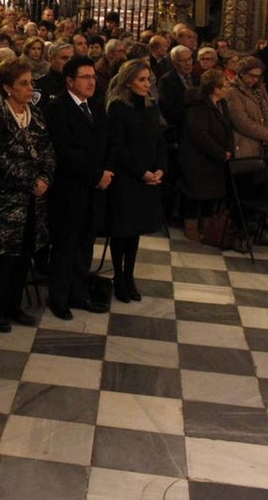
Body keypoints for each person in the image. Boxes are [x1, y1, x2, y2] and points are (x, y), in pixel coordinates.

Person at [0, 57, 55, 331]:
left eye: (30, 82)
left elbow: (47, 150)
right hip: (7, 202)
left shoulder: (34, 114)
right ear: (8, 88)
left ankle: (14, 305)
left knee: (24, 256)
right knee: (2, 260)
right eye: (23, 83)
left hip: (34, 200)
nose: (29, 88)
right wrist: (29, 181)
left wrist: (45, 178)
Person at [44, 55, 110, 319]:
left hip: (93, 188)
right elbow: (65, 151)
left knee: (85, 244)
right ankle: (58, 298)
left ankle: (79, 293)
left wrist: (106, 171)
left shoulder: (95, 105)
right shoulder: (57, 108)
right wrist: (96, 174)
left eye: (93, 77)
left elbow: (106, 141)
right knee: (65, 245)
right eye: (86, 77)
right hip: (69, 189)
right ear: (70, 81)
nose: (92, 82)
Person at [104, 60, 165, 303]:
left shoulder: (151, 107)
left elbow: (159, 140)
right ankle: (118, 277)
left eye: (148, 79)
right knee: (123, 230)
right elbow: (118, 147)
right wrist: (142, 172)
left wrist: (161, 168)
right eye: (141, 80)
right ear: (128, 81)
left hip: (148, 178)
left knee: (136, 231)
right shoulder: (118, 108)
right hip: (127, 179)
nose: (146, 84)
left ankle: (129, 275)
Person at [178, 70, 235, 241]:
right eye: (224, 85)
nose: (228, 88)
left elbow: (228, 127)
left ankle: (207, 227)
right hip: (197, 158)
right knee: (194, 193)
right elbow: (199, 133)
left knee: (211, 193)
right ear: (214, 88)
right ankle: (192, 228)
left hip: (216, 158)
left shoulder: (222, 104)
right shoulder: (198, 106)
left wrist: (229, 149)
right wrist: (219, 152)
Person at [225, 56, 268, 158]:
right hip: (246, 145)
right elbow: (241, 121)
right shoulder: (232, 91)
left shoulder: (260, 89)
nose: (255, 80)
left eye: (258, 76)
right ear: (241, 73)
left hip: (265, 145)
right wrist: (267, 135)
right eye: (252, 76)